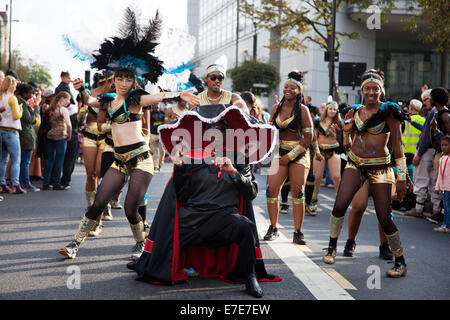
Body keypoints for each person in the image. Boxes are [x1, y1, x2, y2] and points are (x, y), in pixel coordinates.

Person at [58, 8, 199, 261]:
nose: (123, 82)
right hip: (119, 161)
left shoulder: (135, 100)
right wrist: (79, 89)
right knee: (98, 202)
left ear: (133, 81)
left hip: (141, 159)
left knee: (130, 208)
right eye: (120, 78)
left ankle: (140, 243)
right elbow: (90, 101)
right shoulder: (108, 99)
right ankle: (74, 244)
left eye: (128, 79)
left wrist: (179, 95)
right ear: (114, 79)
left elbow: (155, 96)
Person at [127, 104, 281, 298]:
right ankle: (148, 260)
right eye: (210, 129)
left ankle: (249, 276)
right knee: (166, 230)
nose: (215, 134)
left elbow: (251, 193)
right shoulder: (192, 156)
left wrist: (233, 172)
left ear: (227, 132)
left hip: (223, 219)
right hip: (191, 219)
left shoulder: (240, 158)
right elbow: (180, 195)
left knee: (245, 226)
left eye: (220, 128)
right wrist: (180, 169)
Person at [322, 69, 409, 278]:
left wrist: (402, 178)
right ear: (362, 90)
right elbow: (347, 145)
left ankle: (400, 261)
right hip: (355, 163)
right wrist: (344, 132)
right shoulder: (355, 112)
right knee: (340, 204)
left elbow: (398, 146)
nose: (371, 92)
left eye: (375, 88)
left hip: (381, 167)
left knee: (384, 217)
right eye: (367, 88)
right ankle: (332, 248)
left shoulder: (390, 113)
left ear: (381, 90)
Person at [264, 71, 313, 245]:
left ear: (299, 91)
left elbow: (309, 137)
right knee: (271, 190)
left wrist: (291, 155)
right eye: (286, 87)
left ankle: (298, 232)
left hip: (298, 153)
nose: (288, 89)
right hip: (280, 152)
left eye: (293, 87)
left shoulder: (303, 110)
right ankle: (273, 227)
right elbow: (269, 132)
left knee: (297, 192)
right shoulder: (276, 108)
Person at [406, 89, 442, 218]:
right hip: (434, 151)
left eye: (425, 100)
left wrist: (419, 154)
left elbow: (426, 135)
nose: (424, 103)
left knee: (421, 179)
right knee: (433, 181)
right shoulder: (437, 112)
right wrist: (413, 123)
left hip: (426, 151)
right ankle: (436, 210)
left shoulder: (432, 112)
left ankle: (419, 208)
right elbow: (427, 130)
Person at [311, 101, 343, 207]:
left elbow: (343, 139)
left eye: (334, 109)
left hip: (334, 151)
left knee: (337, 177)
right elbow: (314, 138)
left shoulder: (339, 123)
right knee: (318, 177)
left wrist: (337, 134)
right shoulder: (318, 121)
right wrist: (316, 152)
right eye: (330, 109)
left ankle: (339, 203)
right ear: (326, 110)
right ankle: (313, 201)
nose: (332, 111)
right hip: (320, 151)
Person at [42, 91, 72, 190]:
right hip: (61, 136)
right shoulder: (63, 110)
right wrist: (69, 135)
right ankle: (56, 183)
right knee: (59, 160)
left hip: (50, 135)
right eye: (68, 99)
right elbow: (68, 124)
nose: (69, 101)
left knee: (50, 160)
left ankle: (46, 183)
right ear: (62, 98)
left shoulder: (50, 108)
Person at [0, 75, 25, 194]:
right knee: (16, 160)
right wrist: (20, 111)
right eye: (15, 85)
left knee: (2, 160)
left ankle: (2, 184)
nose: (16, 87)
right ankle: (15, 185)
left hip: (1, 130)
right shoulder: (12, 98)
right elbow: (16, 116)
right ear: (11, 85)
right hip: (11, 131)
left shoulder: (1, 96)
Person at [17, 83, 40, 192]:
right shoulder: (22, 103)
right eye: (30, 93)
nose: (32, 95)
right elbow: (30, 119)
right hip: (26, 134)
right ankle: (25, 183)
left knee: (23, 161)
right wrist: (36, 108)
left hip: (25, 133)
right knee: (25, 161)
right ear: (24, 93)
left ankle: (22, 182)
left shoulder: (22, 102)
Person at [433, 136, 450, 233]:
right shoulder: (442, 158)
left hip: (449, 187)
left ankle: (447, 225)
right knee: (446, 207)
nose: (443, 147)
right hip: (444, 187)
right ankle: (446, 224)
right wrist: (437, 187)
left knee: (448, 207)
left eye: (446, 145)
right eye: (442, 145)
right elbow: (440, 174)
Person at [150, 103, 166, 171]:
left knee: (162, 151)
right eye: (155, 104)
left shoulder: (163, 113)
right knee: (154, 151)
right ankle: (155, 165)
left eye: (158, 104)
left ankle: (160, 163)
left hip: (161, 134)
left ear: (160, 105)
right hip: (153, 134)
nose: (156, 105)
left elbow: (165, 121)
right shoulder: (150, 113)